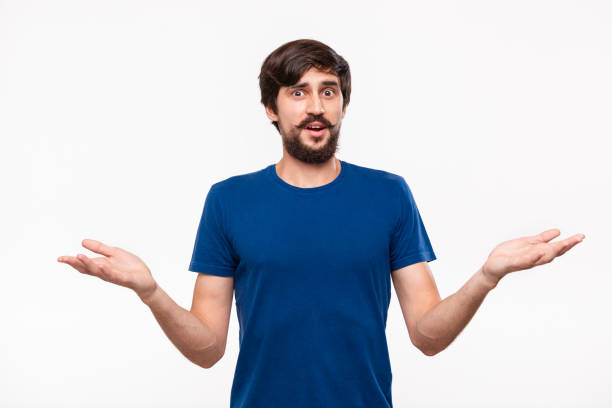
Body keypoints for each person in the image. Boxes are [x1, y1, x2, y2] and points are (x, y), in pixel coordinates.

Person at [57, 39, 585, 408]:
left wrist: (487, 276)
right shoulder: (229, 201)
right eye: (298, 92)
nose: (316, 107)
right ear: (271, 108)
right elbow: (207, 348)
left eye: (328, 92)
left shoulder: (388, 193)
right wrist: (150, 291)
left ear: (344, 105)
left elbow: (426, 334)